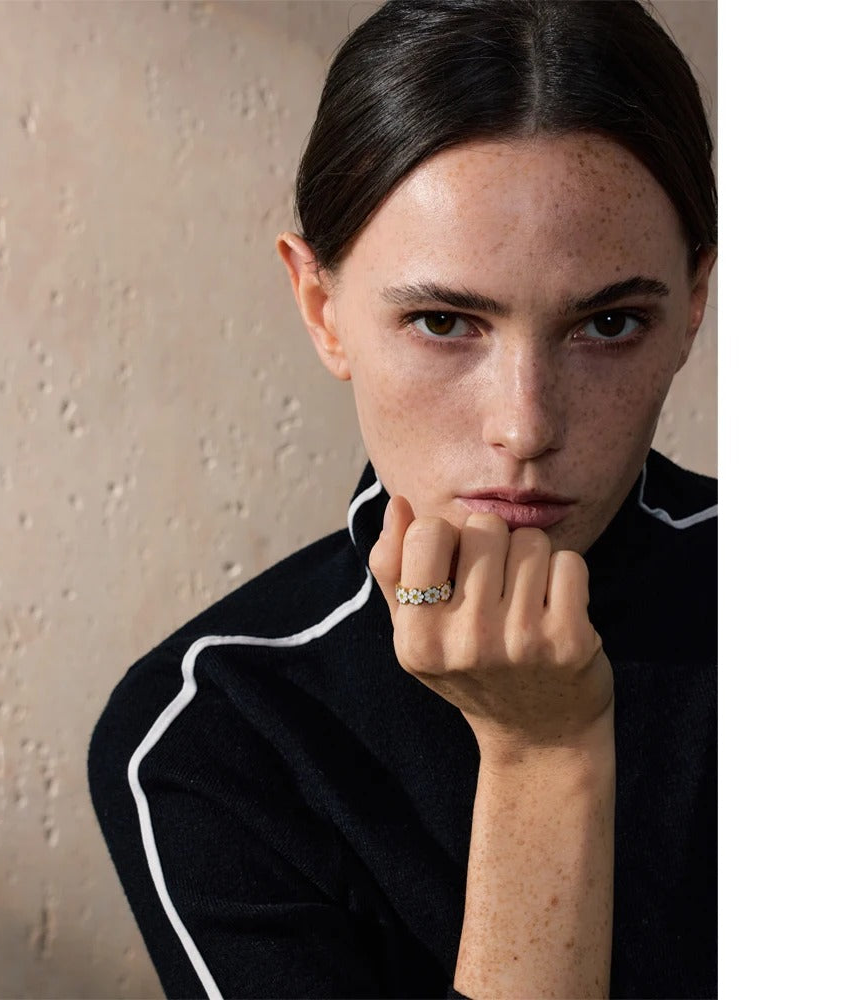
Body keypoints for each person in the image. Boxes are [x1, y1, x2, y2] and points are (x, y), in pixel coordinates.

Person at [88, 1, 717, 997]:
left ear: (694, 306)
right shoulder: (216, 732)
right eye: (443, 321)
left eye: (607, 324)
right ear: (322, 309)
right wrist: (541, 754)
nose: (524, 427)